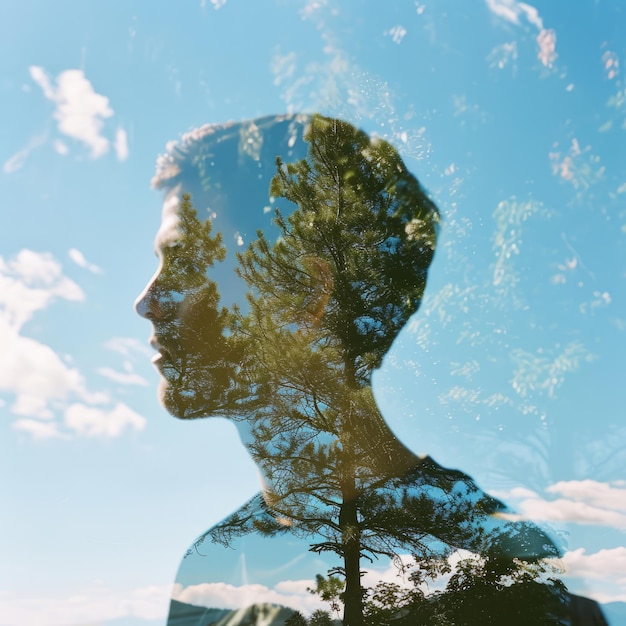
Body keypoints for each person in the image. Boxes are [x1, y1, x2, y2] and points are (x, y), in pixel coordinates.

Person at [136, 114, 571, 625]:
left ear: (306, 294)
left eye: (186, 262)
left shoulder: (496, 563)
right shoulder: (210, 568)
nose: (147, 301)